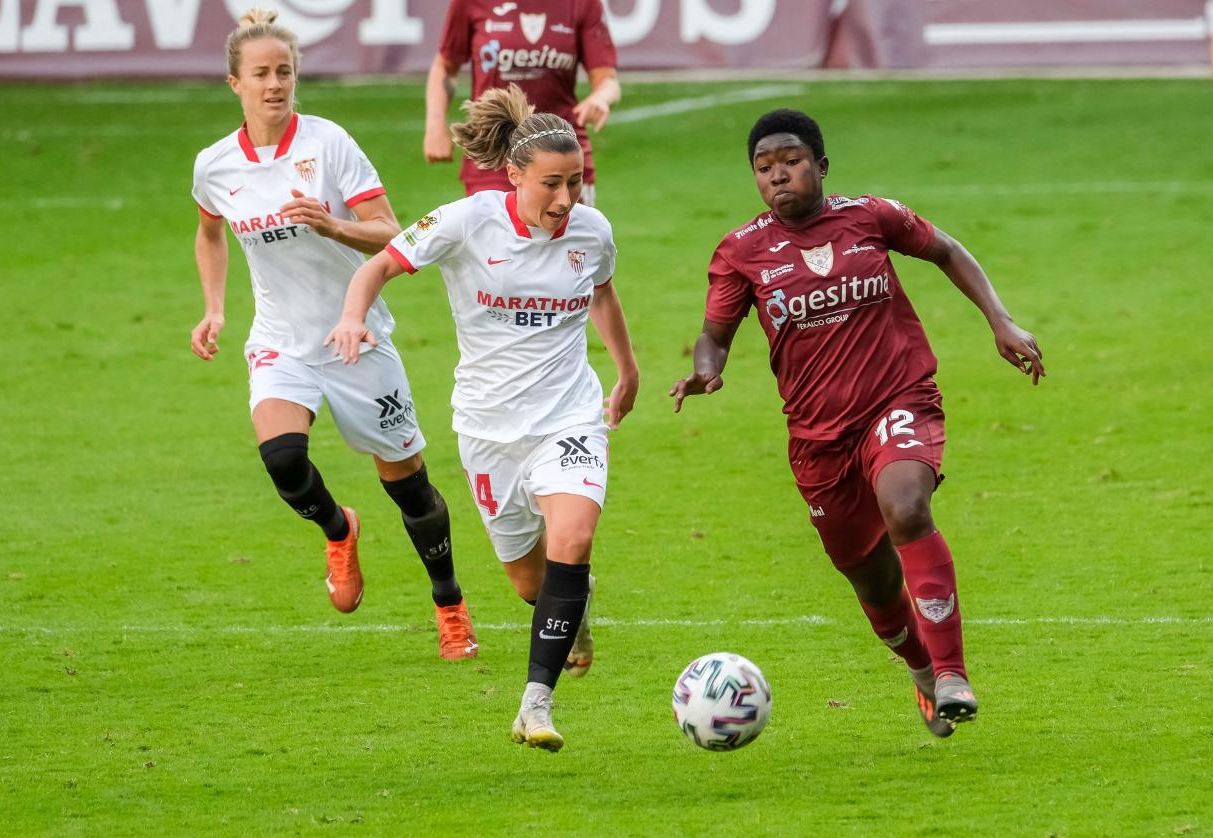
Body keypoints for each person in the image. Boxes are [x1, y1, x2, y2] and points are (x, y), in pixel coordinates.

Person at [670, 109, 1045, 737]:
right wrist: (707, 370)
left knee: (906, 507)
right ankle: (923, 670)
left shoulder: (871, 217)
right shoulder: (742, 251)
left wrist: (1000, 321)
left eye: (790, 162)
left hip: (897, 398)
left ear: (820, 165)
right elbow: (713, 335)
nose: (778, 176)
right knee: (872, 583)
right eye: (764, 169)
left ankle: (953, 672)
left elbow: (947, 250)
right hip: (818, 439)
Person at [328, 85, 639, 752]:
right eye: (551, 184)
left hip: (569, 415)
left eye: (575, 183)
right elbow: (380, 264)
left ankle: (535, 704)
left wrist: (627, 368)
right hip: (488, 429)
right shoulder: (464, 222)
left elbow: (602, 293)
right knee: (532, 581)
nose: (565, 200)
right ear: (515, 174)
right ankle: (573, 611)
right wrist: (353, 315)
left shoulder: (593, 229)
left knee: (574, 538)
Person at [189, 7, 478, 661]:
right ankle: (337, 526)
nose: (274, 84)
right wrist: (214, 308)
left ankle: (450, 605)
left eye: (284, 71)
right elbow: (209, 230)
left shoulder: (328, 145)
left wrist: (333, 226)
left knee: (408, 487)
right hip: (280, 341)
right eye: (260, 74)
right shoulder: (214, 166)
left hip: (357, 339)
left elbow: (393, 231)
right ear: (234, 82)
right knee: (283, 459)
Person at [423, 0, 621, 205]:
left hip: (562, 155)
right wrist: (435, 127)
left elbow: (608, 80)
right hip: (494, 152)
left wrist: (601, 98)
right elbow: (445, 67)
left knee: (568, 236)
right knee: (495, 235)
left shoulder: (583, 4)